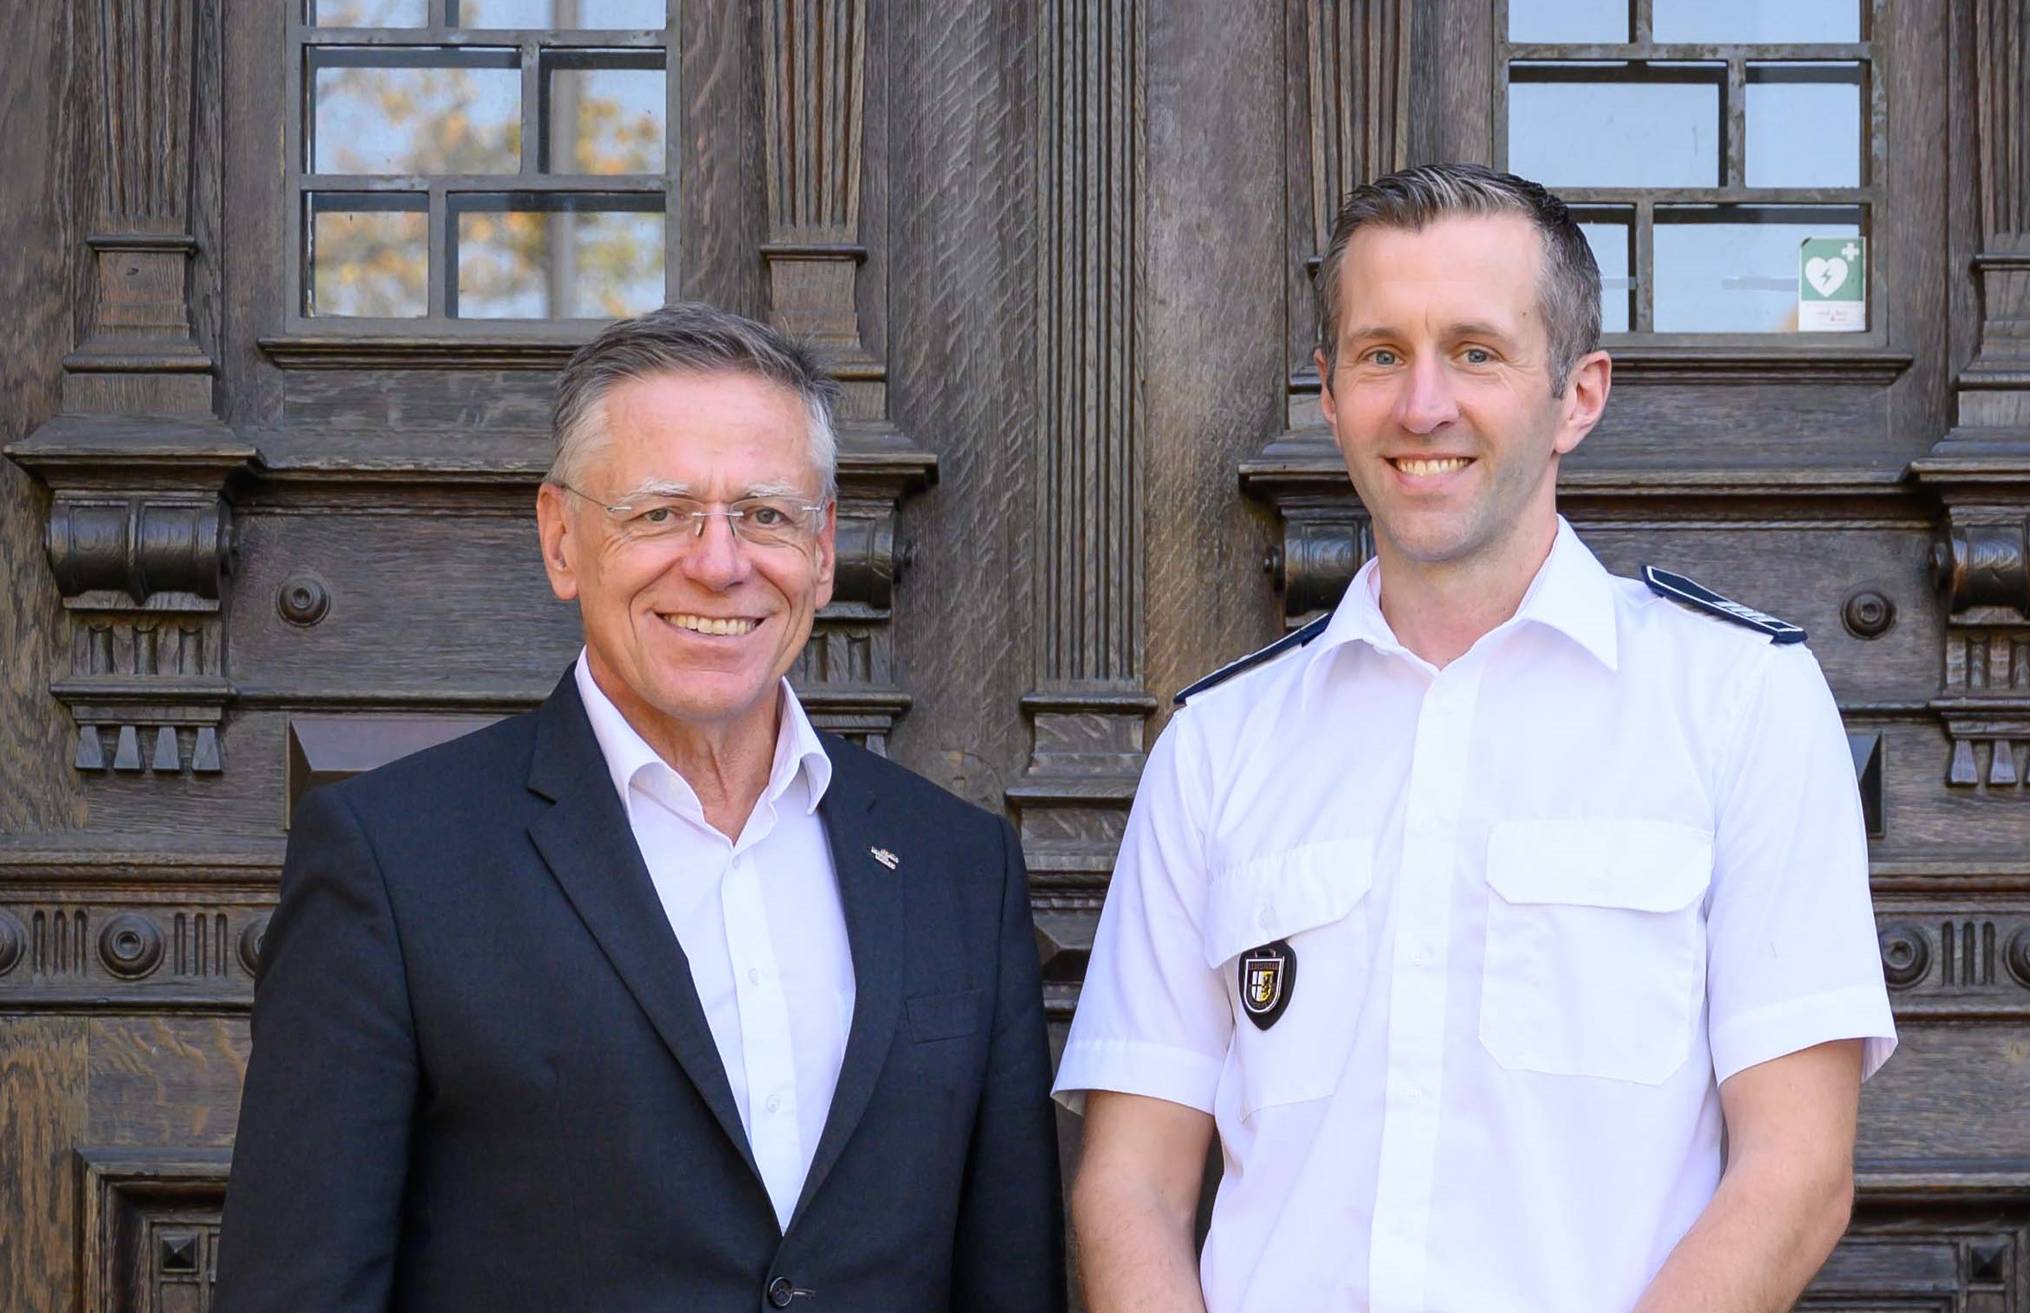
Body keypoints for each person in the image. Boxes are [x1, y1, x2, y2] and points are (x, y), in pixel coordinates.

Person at [1054, 164, 1896, 1313]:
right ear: (1331, 389)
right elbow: (1132, 1186)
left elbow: (1796, 1172)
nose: (1422, 405)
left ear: (1579, 394)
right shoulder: (1218, 745)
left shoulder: (1739, 701)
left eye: (1478, 352)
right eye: (1381, 353)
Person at [216, 302, 1065, 1312]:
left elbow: (1009, 1278)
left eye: (766, 512)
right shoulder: (394, 863)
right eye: (661, 511)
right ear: (562, 537)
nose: (719, 560)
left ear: (825, 547)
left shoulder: (958, 865)